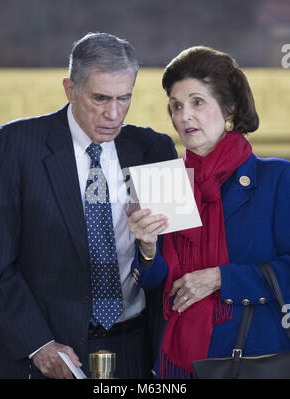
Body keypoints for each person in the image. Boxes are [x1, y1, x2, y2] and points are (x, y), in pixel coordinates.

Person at [0, 32, 177, 379]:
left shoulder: (155, 149)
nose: (113, 113)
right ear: (70, 89)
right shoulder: (14, 146)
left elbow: (173, 263)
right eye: (100, 98)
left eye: (124, 98)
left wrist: (150, 251)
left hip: (136, 349)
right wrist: (39, 344)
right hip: (49, 352)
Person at [128, 46, 290, 378]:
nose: (184, 116)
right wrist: (145, 248)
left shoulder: (277, 178)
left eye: (197, 102)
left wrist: (222, 279)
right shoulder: (167, 180)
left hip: (253, 359)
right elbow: (155, 283)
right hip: (177, 365)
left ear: (228, 107)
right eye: (176, 106)